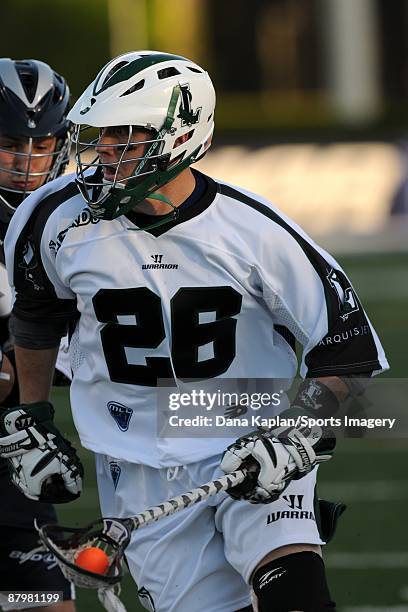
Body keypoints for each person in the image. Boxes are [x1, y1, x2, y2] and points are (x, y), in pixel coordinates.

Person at [1, 51, 388, 612]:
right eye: (98, 136)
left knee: (296, 593)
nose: (103, 154)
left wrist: (296, 428)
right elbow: (36, 316)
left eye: (125, 138)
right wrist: (31, 413)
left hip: (248, 433)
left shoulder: (252, 230)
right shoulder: (50, 217)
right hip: (136, 465)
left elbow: (349, 350)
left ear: (178, 137)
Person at [0, 58, 75, 611]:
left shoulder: (70, 223)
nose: (27, 162)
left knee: (42, 601)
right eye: (9, 144)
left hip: (15, 467)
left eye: (42, 145)